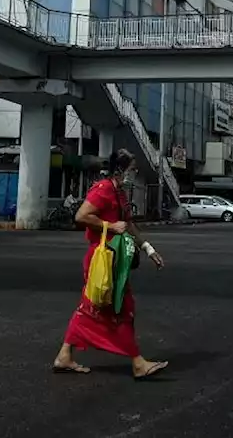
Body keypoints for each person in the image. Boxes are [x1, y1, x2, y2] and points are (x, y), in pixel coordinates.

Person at [52, 149, 169, 380]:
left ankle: (64, 355)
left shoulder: (120, 193)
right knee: (122, 309)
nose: (134, 173)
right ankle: (137, 363)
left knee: (91, 308)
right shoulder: (104, 188)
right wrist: (110, 226)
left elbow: (129, 223)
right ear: (120, 170)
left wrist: (148, 248)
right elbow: (82, 216)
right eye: (132, 169)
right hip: (102, 259)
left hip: (115, 259)